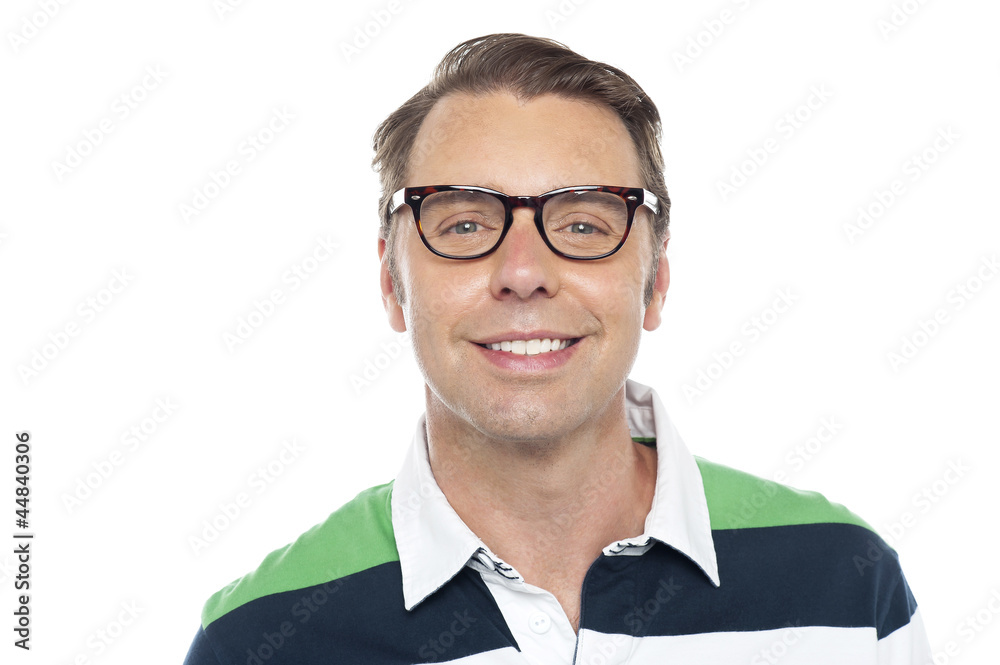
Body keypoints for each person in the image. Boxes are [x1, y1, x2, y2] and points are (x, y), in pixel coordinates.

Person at [183, 33, 931, 664]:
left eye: (582, 224)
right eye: (466, 224)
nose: (523, 274)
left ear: (657, 278)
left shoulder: (844, 585)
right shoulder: (259, 638)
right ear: (390, 281)